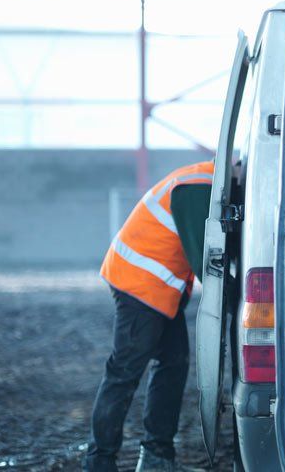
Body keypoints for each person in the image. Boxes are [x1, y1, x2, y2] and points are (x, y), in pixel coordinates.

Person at [84, 161, 214, 472]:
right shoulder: (200, 186)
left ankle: (157, 456)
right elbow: (205, 261)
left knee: (172, 364)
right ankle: (99, 462)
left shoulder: (205, 180)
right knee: (124, 372)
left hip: (156, 289)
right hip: (139, 284)